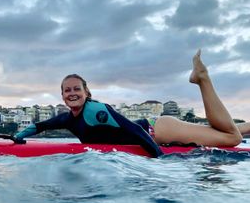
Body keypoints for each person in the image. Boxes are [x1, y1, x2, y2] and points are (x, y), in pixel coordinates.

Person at [15, 50, 249, 157]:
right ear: (63, 96)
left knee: (232, 139)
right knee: (224, 132)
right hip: (157, 129)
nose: (72, 93)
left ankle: (202, 78)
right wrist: (16, 139)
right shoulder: (66, 118)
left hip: (158, 130)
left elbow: (132, 129)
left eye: (77, 88)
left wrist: (158, 156)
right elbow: (39, 127)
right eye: (67, 90)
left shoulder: (97, 110)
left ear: (87, 92)